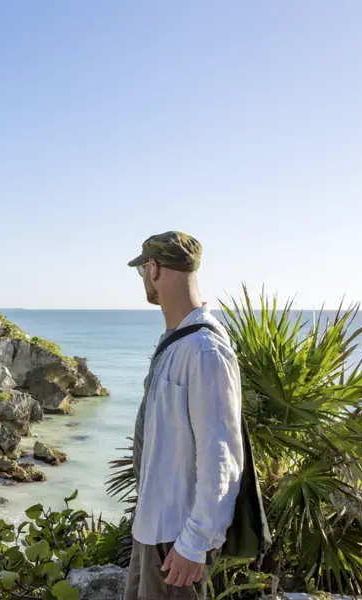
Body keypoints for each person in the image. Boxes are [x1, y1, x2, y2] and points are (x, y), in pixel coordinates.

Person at [123, 231, 243, 600]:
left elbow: (221, 454)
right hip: (153, 530)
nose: (144, 277)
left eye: (143, 269)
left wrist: (195, 542)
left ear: (154, 268)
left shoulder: (204, 350)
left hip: (176, 539)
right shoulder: (178, 341)